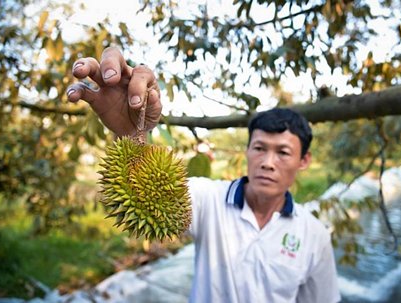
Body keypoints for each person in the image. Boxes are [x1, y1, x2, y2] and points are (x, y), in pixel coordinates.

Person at [67, 47, 341, 303]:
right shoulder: (208, 200)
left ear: (304, 161)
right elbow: (154, 196)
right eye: (259, 148)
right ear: (246, 151)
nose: (268, 163)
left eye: (283, 152)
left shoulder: (314, 235)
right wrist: (132, 134)